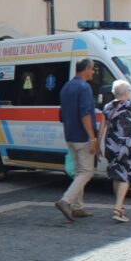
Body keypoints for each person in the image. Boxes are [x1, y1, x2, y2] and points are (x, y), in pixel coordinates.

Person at [98, 80, 131, 223]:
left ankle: (120, 206)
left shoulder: (107, 107)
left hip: (111, 146)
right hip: (126, 145)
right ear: (126, 92)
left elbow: (102, 128)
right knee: (126, 176)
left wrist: (99, 147)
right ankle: (118, 209)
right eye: (129, 91)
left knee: (116, 175)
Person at [55, 58, 98, 222]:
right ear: (86, 69)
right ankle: (66, 201)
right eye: (92, 69)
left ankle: (78, 207)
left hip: (70, 135)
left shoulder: (66, 87)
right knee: (86, 172)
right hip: (82, 136)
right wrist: (92, 138)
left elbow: (61, 114)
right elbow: (85, 114)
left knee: (79, 172)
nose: (93, 72)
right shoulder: (84, 87)